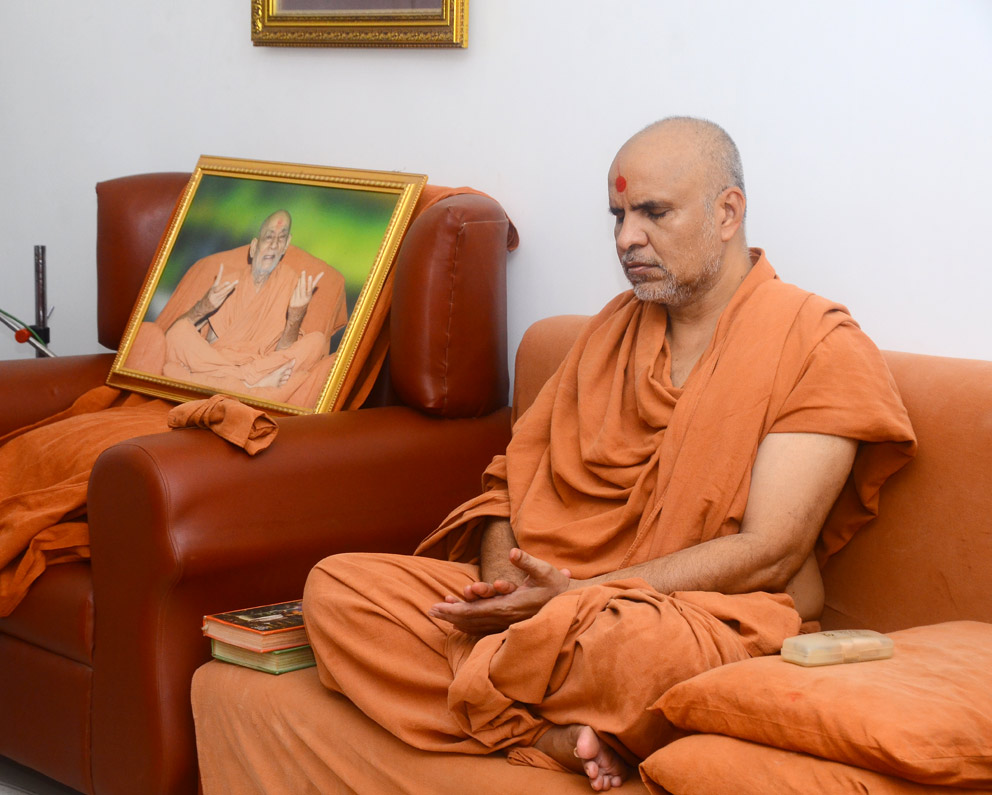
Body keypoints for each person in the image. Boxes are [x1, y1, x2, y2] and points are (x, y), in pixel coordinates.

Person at [301, 117, 916, 790]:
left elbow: (770, 549)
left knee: (641, 655)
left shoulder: (817, 344)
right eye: (619, 216)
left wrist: (571, 600)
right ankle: (550, 733)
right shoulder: (609, 333)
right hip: (550, 605)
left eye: (653, 212)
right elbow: (510, 486)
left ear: (727, 212)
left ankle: (505, 693)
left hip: (686, 617)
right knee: (337, 591)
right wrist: (508, 590)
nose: (626, 238)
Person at [124, 209, 348, 409]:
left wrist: (295, 316)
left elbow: (283, 352)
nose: (273, 245)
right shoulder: (228, 281)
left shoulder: (292, 285)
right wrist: (205, 306)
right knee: (179, 332)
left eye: (280, 239)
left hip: (259, 364)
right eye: (268, 237)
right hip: (227, 363)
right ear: (254, 247)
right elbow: (185, 337)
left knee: (315, 341)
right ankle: (250, 387)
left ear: (286, 246)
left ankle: (204, 383)